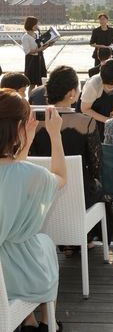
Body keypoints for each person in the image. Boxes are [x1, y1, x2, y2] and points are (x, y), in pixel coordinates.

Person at [0, 91, 66, 332]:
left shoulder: (23, 173)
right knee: (44, 244)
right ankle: (48, 322)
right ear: (19, 126)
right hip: (20, 275)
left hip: (3, 273)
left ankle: (28, 320)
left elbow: (11, 170)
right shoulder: (31, 175)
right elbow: (60, 177)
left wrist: (25, 140)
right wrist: (55, 135)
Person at [30, 65, 111, 248]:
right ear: (71, 93)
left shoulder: (34, 123)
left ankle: (64, 242)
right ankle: (84, 238)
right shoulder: (86, 122)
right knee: (98, 189)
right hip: (79, 195)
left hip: (44, 193)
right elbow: (96, 165)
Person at [80, 59, 113, 137]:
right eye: (107, 83)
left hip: (110, 116)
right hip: (91, 117)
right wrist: (107, 120)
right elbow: (85, 109)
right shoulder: (93, 84)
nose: (110, 86)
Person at [22, 16, 51, 90]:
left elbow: (40, 47)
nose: (37, 26)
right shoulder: (25, 37)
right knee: (32, 84)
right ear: (31, 25)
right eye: (35, 24)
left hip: (40, 59)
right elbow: (27, 51)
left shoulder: (37, 34)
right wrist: (39, 49)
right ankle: (31, 97)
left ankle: (40, 96)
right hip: (32, 60)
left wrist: (48, 45)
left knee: (41, 82)